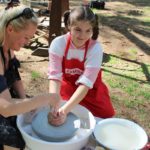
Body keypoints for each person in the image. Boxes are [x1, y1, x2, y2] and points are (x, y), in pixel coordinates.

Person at [0, 4, 59, 150]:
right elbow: (6, 108)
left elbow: (15, 78)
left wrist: (26, 102)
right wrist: (43, 98)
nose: (27, 43)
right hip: (3, 105)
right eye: (26, 37)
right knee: (14, 139)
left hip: (4, 100)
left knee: (30, 120)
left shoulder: (7, 49)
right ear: (10, 29)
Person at [48, 6, 115, 126]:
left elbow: (86, 83)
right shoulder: (58, 44)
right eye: (78, 30)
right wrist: (55, 105)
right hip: (68, 86)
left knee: (103, 120)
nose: (82, 36)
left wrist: (64, 110)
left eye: (88, 31)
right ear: (69, 26)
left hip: (91, 90)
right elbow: (55, 77)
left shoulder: (95, 48)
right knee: (71, 119)